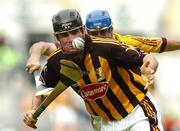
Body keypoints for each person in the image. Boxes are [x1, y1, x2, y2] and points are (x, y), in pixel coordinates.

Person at [23, 9, 161, 131]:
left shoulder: (106, 47)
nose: (70, 39)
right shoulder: (55, 62)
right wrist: (33, 110)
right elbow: (43, 89)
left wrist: (148, 68)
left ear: (83, 30)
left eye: (74, 32)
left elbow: (147, 58)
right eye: (64, 35)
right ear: (57, 37)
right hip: (105, 124)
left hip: (137, 112)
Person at [25, 10, 180, 74]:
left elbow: (162, 44)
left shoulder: (125, 42)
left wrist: (148, 70)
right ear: (87, 33)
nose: (101, 36)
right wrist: (34, 57)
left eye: (104, 32)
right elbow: (41, 46)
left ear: (112, 29)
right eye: (95, 34)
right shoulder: (76, 47)